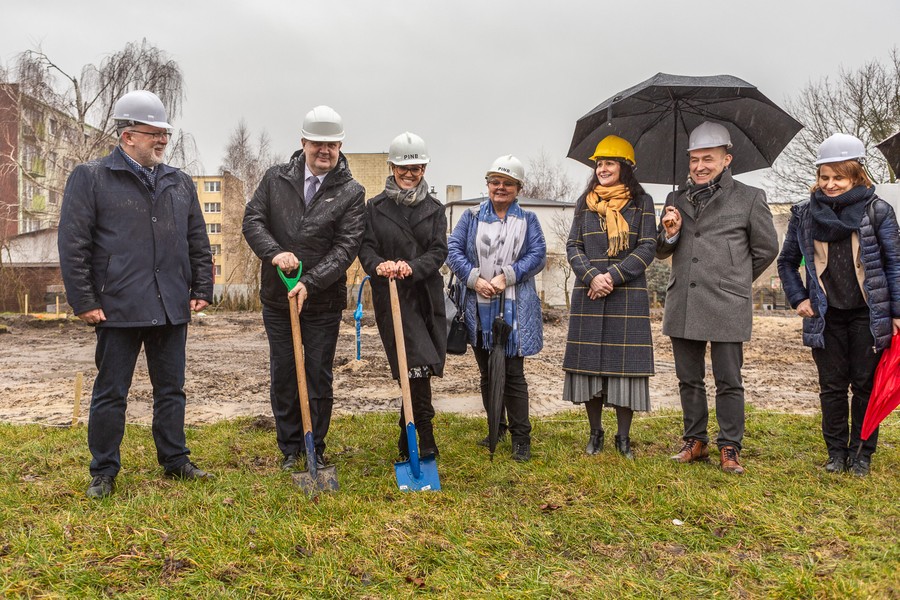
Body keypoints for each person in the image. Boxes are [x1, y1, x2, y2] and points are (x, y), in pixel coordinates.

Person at [58, 90, 214, 499]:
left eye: (165, 133)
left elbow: (196, 238)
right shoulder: (91, 177)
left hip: (170, 304)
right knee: (112, 391)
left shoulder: (178, 181)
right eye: (154, 134)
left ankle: (175, 460)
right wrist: (84, 299)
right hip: (117, 306)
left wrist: (201, 287)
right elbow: (73, 244)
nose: (162, 140)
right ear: (128, 136)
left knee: (172, 389)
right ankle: (104, 471)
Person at [242, 105, 365, 472]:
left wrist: (310, 282)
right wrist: (275, 253)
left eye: (331, 145)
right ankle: (290, 448)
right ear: (303, 143)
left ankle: (316, 445)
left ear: (340, 146)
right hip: (278, 297)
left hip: (323, 301)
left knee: (317, 375)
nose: (324, 151)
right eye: (317, 144)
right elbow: (253, 220)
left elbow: (347, 246)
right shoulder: (276, 179)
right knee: (283, 372)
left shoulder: (351, 192)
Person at [656, 121, 778, 474]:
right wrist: (669, 233)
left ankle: (730, 447)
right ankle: (695, 441)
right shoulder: (675, 199)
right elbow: (662, 251)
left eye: (707, 158)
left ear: (727, 159)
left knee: (728, 379)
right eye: (694, 160)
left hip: (727, 303)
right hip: (685, 301)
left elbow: (766, 248)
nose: (699, 166)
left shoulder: (749, 198)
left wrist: (735, 281)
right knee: (688, 378)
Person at [778, 133, 900, 477]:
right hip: (825, 314)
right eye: (824, 177)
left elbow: (895, 263)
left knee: (864, 386)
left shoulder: (877, 211)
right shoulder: (804, 214)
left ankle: (861, 454)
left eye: (838, 178)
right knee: (831, 387)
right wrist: (798, 297)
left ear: (856, 176)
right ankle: (835, 454)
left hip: (868, 313)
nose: (830, 185)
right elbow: (787, 261)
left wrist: (897, 313)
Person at [562, 136, 657, 459]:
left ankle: (623, 438)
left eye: (609, 163)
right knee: (590, 368)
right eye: (599, 163)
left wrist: (612, 277)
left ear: (625, 168)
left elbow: (647, 247)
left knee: (624, 370)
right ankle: (595, 432)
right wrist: (591, 276)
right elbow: (573, 246)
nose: (602, 168)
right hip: (589, 294)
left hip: (626, 297)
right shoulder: (584, 202)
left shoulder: (642, 202)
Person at [446, 155, 546, 462]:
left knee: (513, 374)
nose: (499, 188)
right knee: (488, 372)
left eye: (507, 183)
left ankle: (521, 438)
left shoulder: (527, 220)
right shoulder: (471, 217)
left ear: (518, 188)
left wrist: (508, 276)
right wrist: (475, 280)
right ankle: (495, 427)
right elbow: (453, 250)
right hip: (479, 306)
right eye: (494, 182)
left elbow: (538, 253)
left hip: (513, 307)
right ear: (488, 185)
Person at [358, 132, 447, 459]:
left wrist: (411, 266)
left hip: (425, 297)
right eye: (403, 168)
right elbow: (365, 248)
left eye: (417, 168)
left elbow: (439, 251)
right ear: (392, 167)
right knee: (414, 366)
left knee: (420, 368)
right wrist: (380, 266)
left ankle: (407, 437)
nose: (410, 174)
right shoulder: (375, 208)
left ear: (424, 169)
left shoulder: (435, 209)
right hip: (393, 298)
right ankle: (425, 438)